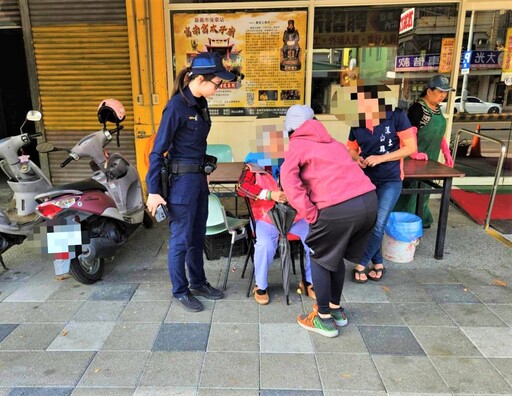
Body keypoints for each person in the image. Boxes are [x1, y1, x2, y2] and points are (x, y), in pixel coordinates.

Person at [145, 52, 235, 312]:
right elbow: (157, 151)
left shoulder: (200, 103)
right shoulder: (176, 107)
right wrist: (153, 191)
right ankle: (180, 290)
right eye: (217, 83)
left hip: (198, 181)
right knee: (181, 239)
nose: (218, 89)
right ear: (201, 79)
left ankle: (198, 282)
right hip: (181, 184)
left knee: (198, 235)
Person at [280, 105, 378, 338]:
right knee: (335, 255)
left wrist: (310, 213)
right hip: (368, 202)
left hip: (337, 207)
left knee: (320, 257)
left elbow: (289, 182)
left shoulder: (297, 144)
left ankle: (323, 318)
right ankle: (336, 310)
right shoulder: (333, 142)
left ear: (291, 129)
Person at [347, 85, 417, 283]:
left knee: (378, 223)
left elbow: (410, 148)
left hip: (390, 179)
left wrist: (381, 158)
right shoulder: (357, 123)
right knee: (368, 222)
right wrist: (357, 158)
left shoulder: (396, 116)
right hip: (366, 180)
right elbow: (351, 149)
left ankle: (361, 263)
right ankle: (378, 263)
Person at [237, 152, 315, 305]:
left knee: (315, 240)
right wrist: (268, 194)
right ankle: (260, 285)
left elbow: (312, 185)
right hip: (266, 217)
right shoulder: (253, 166)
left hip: (295, 217)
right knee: (264, 245)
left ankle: (309, 281)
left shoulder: (295, 163)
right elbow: (241, 188)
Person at [394, 75, 455, 229]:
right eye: (440, 92)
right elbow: (410, 133)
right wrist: (414, 153)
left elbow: (439, 134)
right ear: (429, 91)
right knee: (410, 192)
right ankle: (405, 223)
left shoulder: (437, 110)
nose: (443, 96)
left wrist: (446, 152)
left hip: (431, 158)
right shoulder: (418, 108)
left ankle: (420, 219)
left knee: (425, 191)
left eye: (445, 93)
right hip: (413, 159)